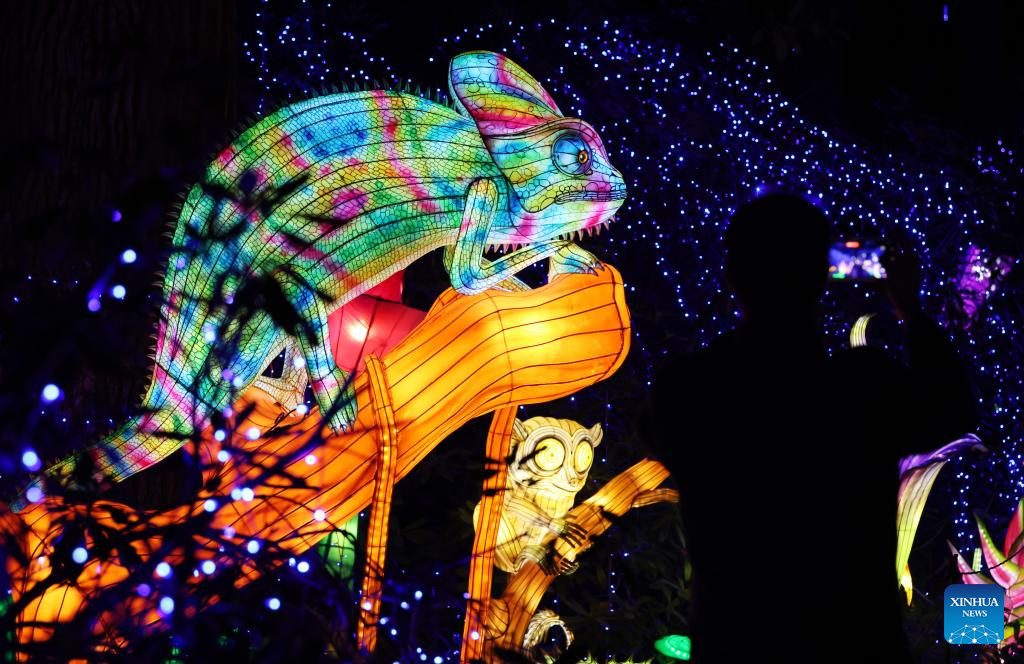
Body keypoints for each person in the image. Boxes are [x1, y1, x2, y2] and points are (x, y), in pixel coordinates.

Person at [647, 193, 975, 663]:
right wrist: (912, 311)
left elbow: (661, 428)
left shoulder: (687, 391)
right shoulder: (865, 388)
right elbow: (952, 411)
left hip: (736, 649)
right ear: (823, 277)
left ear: (733, 275)